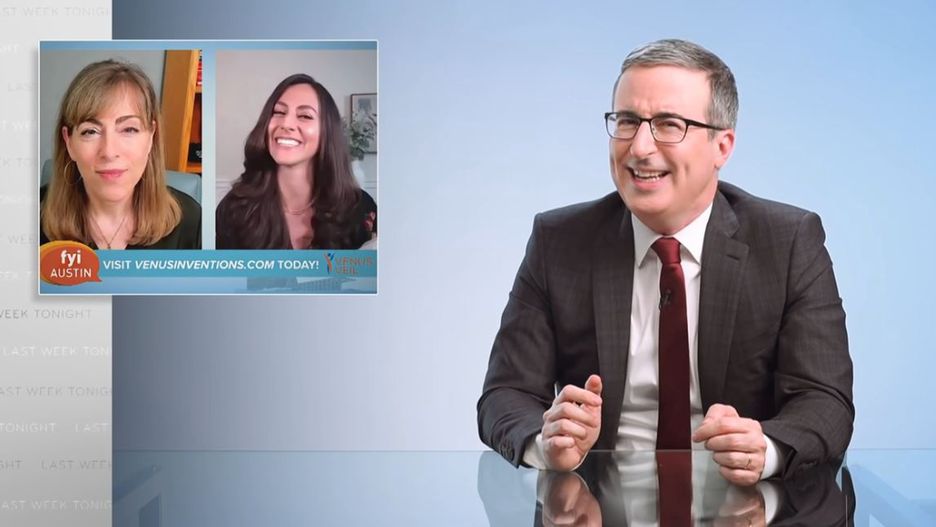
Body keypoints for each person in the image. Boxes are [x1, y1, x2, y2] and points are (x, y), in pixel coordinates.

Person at [477, 39, 854, 486]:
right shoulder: (559, 241)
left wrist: (766, 448)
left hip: (747, 503)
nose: (639, 147)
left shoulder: (788, 242)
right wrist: (547, 442)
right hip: (596, 502)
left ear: (722, 146)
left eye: (669, 125)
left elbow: (825, 401)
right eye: (627, 121)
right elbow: (505, 395)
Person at [40, 59, 201, 250]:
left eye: (129, 129)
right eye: (90, 131)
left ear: (151, 136)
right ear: (69, 142)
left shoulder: (192, 222)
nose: (109, 152)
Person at [215, 74, 377, 250]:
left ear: (327, 131)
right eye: (279, 112)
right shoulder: (233, 209)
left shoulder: (361, 209)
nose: (286, 124)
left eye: (305, 116)